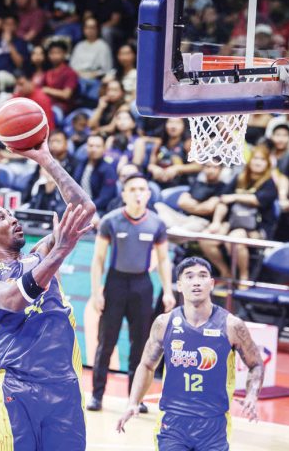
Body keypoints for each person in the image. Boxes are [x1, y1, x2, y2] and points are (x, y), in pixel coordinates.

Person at [0, 139, 96, 450]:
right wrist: (60, 252)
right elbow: (13, 300)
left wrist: (46, 159)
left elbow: (85, 212)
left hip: (64, 387)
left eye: (11, 214)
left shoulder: (40, 254)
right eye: (1, 217)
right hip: (16, 390)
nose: (13, 219)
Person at [116, 257, 264, 450]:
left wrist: (252, 396)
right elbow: (146, 365)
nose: (196, 281)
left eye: (203, 276)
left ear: (211, 284)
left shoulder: (232, 325)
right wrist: (133, 402)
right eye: (189, 276)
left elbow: (256, 364)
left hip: (213, 426)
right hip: (172, 424)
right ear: (179, 285)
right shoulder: (164, 323)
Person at [88, 173, 176, 412]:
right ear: (124, 194)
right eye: (133, 189)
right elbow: (98, 259)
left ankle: (134, 400)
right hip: (115, 283)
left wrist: (167, 290)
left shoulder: (156, 223)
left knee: (140, 346)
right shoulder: (110, 221)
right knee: (106, 342)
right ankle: (96, 395)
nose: (138, 193)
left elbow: (163, 259)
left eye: (142, 189)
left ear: (148, 194)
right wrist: (97, 292)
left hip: (142, 286)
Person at [200, 145, 279, 282]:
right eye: (255, 158)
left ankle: (243, 277)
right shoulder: (240, 178)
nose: (257, 162)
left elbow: (257, 200)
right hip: (233, 222)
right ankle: (226, 273)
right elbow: (223, 199)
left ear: (267, 163)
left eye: (262, 159)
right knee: (206, 239)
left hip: (258, 228)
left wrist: (235, 196)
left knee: (235, 238)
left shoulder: (269, 183)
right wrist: (217, 222)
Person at [73, 133, 118, 217]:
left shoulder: (108, 170)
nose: (94, 149)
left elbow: (105, 198)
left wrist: (86, 208)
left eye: (98, 146)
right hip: (79, 206)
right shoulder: (81, 164)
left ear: (104, 149)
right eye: (91, 146)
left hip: (99, 209)